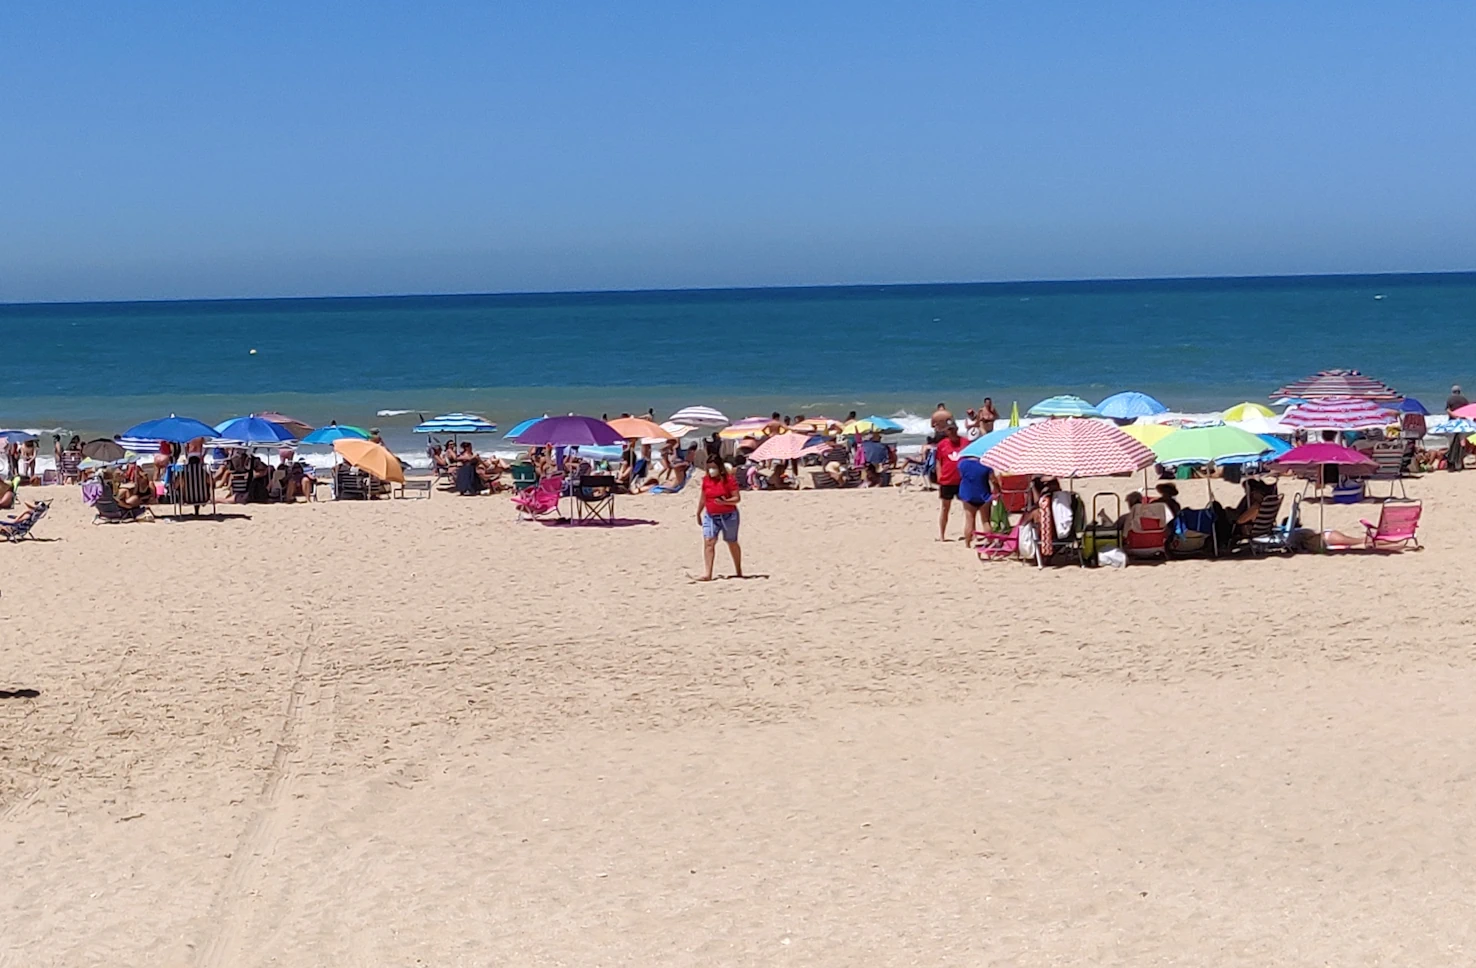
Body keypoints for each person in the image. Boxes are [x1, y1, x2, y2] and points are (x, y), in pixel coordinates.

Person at [696, 459, 742, 581]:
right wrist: (698, 512)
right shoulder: (706, 481)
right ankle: (707, 573)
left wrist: (725, 502)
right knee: (709, 542)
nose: (711, 470)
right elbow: (703, 497)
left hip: (729, 515)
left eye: (713, 467)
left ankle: (738, 570)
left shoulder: (729, 480)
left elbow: (737, 498)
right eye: (709, 467)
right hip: (711, 515)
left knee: (731, 542)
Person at [934, 422, 968, 540]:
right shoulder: (942, 445)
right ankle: (942, 535)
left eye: (953, 429)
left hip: (962, 480)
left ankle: (967, 534)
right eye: (949, 430)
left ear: (957, 429)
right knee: (945, 508)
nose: (952, 432)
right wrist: (939, 475)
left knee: (967, 508)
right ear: (946, 431)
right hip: (946, 481)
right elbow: (938, 461)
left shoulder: (965, 442)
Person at [956, 456, 993, 544]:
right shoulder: (986, 465)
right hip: (983, 495)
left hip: (968, 495)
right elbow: (993, 479)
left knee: (969, 521)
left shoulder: (962, 464)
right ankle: (989, 541)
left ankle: (968, 543)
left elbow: (961, 475)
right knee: (986, 521)